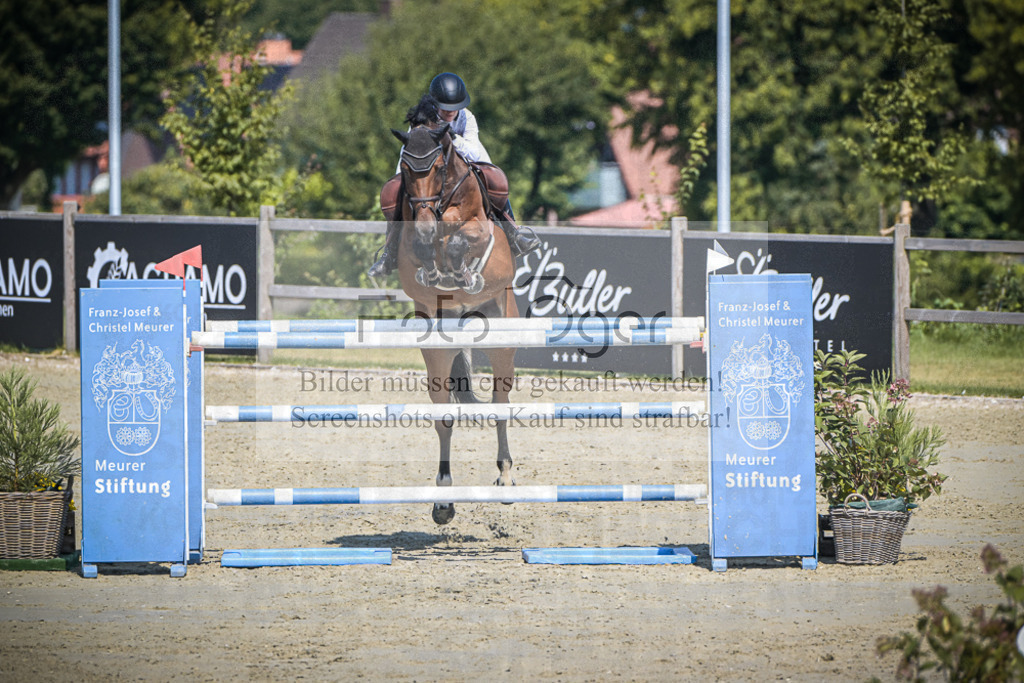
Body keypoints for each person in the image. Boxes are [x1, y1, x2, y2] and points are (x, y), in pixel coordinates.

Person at [368, 72, 540, 278]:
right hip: (425, 164)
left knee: (495, 180)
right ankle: (389, 253)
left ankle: (513, 232)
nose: (450, 112)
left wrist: (451, 137)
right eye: (445, 108)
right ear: (435, 104)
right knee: (397, 191)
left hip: (464, 160)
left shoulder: (467, 118)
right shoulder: (423, 119)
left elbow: (473, 152)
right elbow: (413, 149)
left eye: (454, 107)